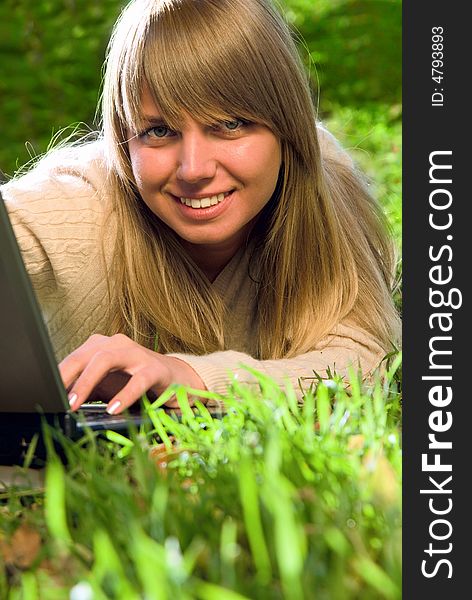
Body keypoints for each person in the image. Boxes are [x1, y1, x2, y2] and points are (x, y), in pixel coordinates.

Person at [1, 0, 400, 416]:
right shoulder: (77, 205)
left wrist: (191, 379)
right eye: (158, 131)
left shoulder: (322, 182)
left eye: (229, 124)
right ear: (122, 136)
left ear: (288, 127)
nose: (194, 169)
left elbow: (366, 362)